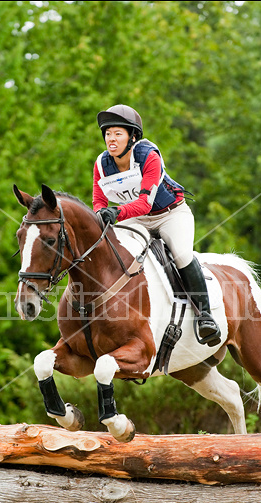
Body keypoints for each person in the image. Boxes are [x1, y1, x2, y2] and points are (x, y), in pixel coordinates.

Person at [93, 104, 221, 347]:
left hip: (170, 214)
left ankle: (205, 316)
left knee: (182, 254)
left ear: (132, 137)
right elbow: (99, 201)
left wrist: (116, 212)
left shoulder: (148, 156)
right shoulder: (101, 164)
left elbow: (144, 203)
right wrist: (101, 215)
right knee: (116, 252)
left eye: (117, 133)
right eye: (108, 134)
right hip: (135, 217)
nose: (111, 139)